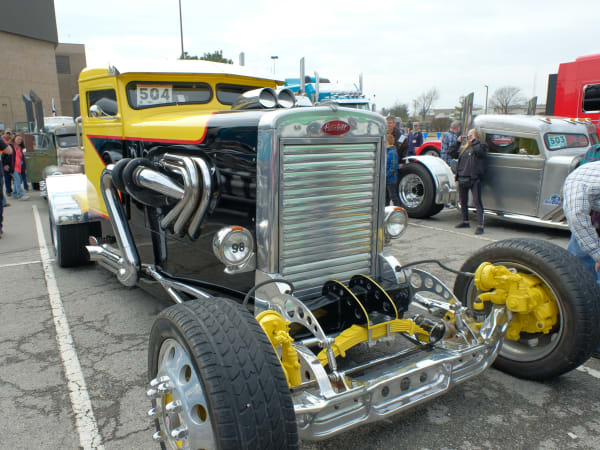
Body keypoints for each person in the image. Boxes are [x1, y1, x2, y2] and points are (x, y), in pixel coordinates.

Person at [450, 128, 488, 234]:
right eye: (468, 136)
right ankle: (465, 221)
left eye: (471, 135)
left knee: (477, 201)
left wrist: (474, 141)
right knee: (463, 201)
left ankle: (480, 225)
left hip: (474, 178)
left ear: (477, 137)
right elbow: (451, 153)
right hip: (462, 177)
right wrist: (457, 142)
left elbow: (480, 153)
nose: (469, 138)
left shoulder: (482, 146)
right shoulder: (464, 149)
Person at [385, 134, 400, 206]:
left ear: (388, 142)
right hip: (387, 179)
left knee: (393, 197)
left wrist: (386, 175)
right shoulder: (387, 151)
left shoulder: (392, 152)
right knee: (386, 197)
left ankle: (398, 209)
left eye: (385, 141)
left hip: (391, 179)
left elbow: (393, 167)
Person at [2, 130, 13, 196]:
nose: (8, 135)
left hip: (12, 163)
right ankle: (8, 191)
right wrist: (4, 165)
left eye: (9, 134)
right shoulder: (2, 141)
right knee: (7, 178)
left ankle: (12, 190)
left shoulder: (12, 142)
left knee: (13, 178)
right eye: (7, 134)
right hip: (5, 162)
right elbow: (3, 156)